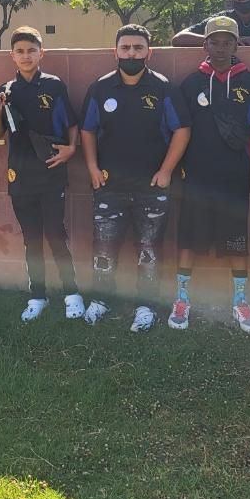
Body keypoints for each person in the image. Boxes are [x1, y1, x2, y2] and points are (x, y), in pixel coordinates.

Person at [80, 24, 192, 332]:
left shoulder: (164, 88)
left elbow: (182, 130)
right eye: (126, 48)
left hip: (151, 187)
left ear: (149, 52)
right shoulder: (99, 88)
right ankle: (102, 299)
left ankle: (147, 306)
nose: (132, 53)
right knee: (103, 248)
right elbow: (87, 129)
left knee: (150, 250)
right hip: (109, 185)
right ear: (115, 51)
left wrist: (166, 170)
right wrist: (91, 167)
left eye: (138, 48)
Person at [169, 16, 250, 333]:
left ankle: (240, 301)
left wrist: (241, 155)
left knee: (236, 241)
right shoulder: (190, 84)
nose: (220, 46)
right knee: (188, 236)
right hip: (195, 178)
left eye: (228, 41)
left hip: (234, 178)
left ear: (236, 44)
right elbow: (177, 128)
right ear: (205, 44)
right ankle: (181, 298)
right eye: (214, 40)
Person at [0, 26, 84, 322]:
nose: (26, 56)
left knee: (56, 234)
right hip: (20, 175)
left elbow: (71, 123)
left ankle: (72, 294)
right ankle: (37, 296)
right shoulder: (5, 91)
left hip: (51, 171)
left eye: (31, 50)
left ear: (42, 53)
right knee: (32, 239)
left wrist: (71, 149)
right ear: (12, 56)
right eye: (20, 51)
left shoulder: (54, 86)